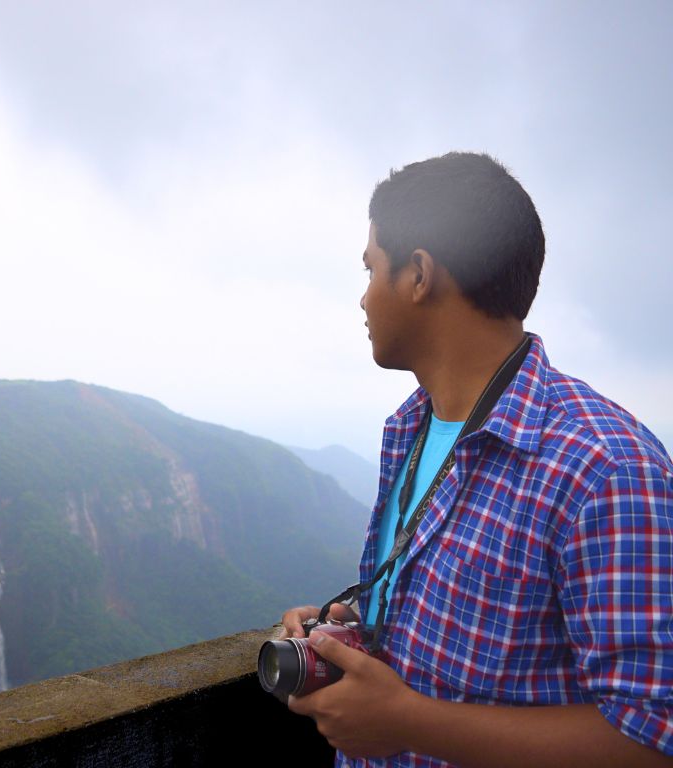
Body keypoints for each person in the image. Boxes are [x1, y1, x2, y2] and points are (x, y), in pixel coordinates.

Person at [280, 152, 673, 767]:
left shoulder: (605, 469)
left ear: (418, 275)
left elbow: (652, 738)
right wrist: (350, 625)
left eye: (371, 269)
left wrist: (408, 722)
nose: (362, 298)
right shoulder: (410, 428)